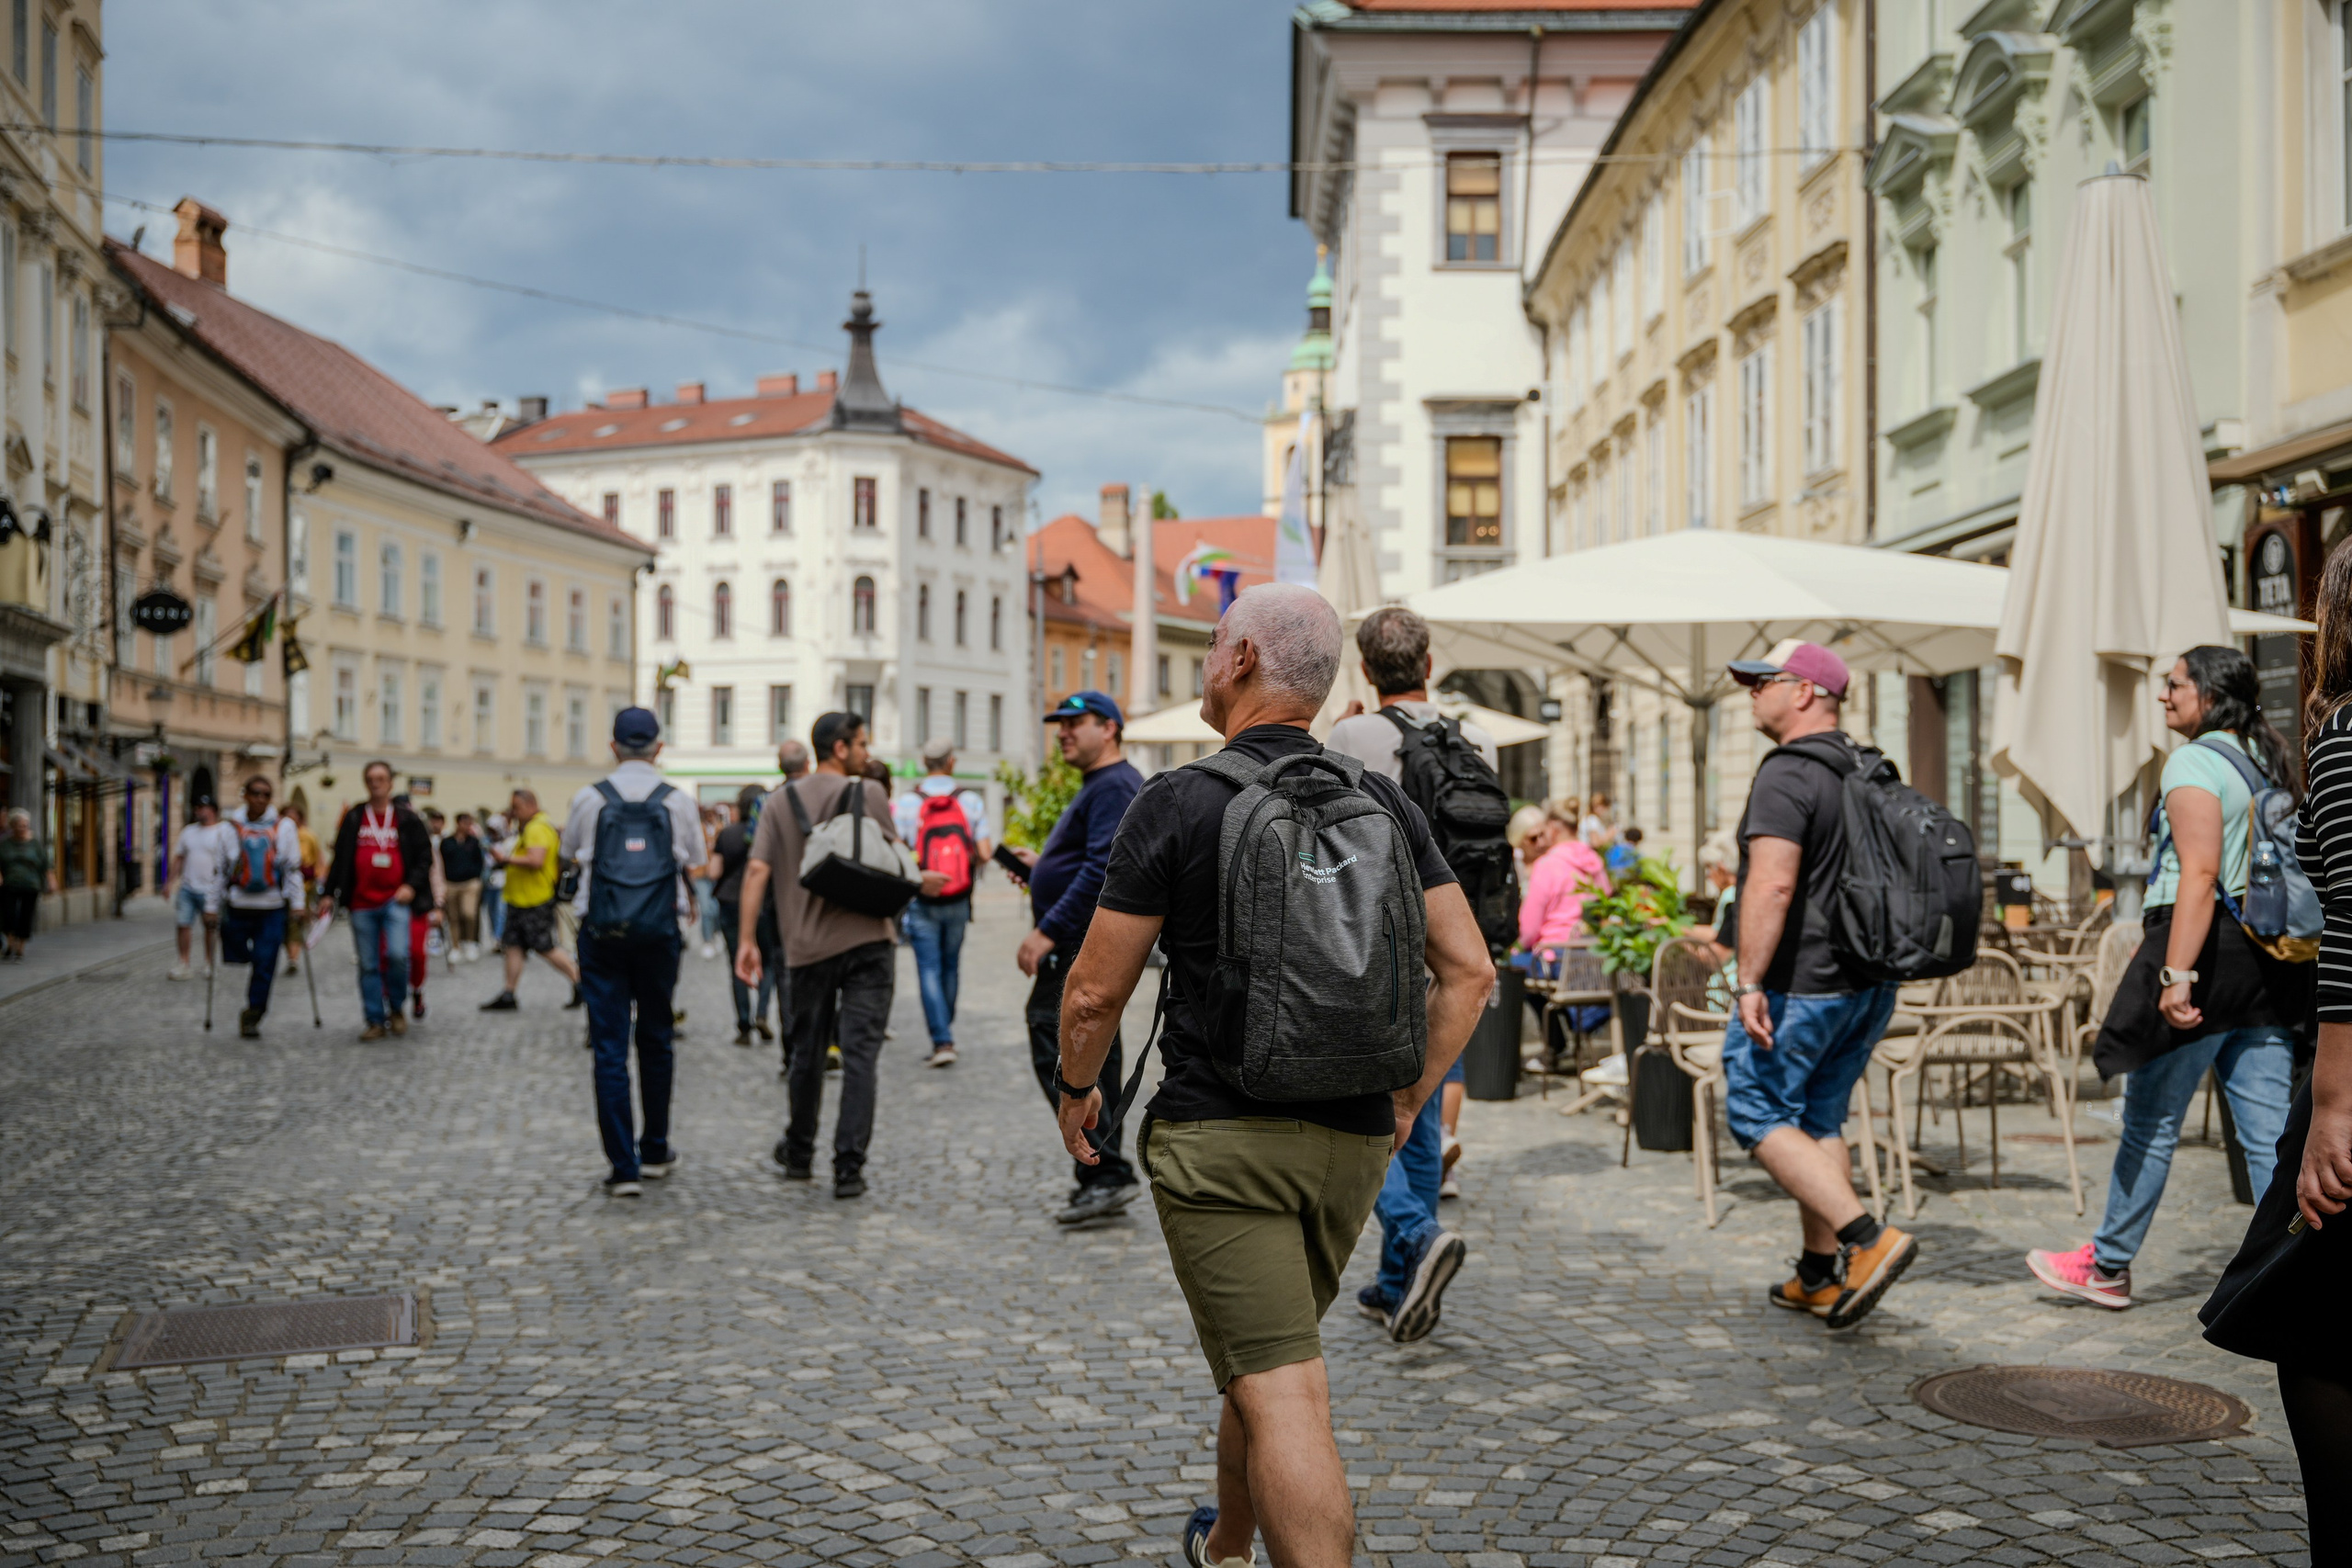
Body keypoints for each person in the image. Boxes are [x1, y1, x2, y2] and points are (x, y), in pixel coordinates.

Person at [1050, 584, 1494, 1568]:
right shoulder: (1380, 798)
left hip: (1223, 1144)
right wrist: (1407, 1100)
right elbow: (1470, 973)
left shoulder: (1178, 800)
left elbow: (1091, 994)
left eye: (1212, 644)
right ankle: (1230, 1544)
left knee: (1285, 1387)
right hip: (1348, 1145)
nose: (1207, 659)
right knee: (1265, 1358)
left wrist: (1077, 1088)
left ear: (1241, 660)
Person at [2030, 646, 2307, 1310]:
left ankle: (2107, 1265)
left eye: (2174, 684)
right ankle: (2300, 1269)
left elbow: (2200, 874)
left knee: (2150, 1120)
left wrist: (2177, 973)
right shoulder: (2263, 759)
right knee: (2268, 1132)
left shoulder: (2193, 761)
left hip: (2206, 958)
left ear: (2209, 693)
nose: (2163, 695)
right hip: (2265, 963)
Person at [1719, 639, 1915, 1328]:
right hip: (1868, 980)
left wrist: (1746, 981)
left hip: (1801, 981)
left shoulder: (1787, 772)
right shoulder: (1867, 767)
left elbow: (1772, 882)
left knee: (1753, 1110)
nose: (1751, 693)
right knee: (1818, 1118)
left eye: (1762, 681)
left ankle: (1868, 1239)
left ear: (1804, 691)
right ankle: (1817, 1273)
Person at [1325, 605, 1498, 1333]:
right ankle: (1397, 1282)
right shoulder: (1477, 735)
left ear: (1366, 668)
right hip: (1460, 944)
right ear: (1430, 665)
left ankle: (1418, 1238)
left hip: (1381, 944)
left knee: (1371, 1112)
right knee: (1417, 1111)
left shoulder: (1350, 736)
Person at [738, 712, 940, 1199]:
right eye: (863, 744)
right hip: (870, 942)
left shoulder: (778, 801)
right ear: (841, 748)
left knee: (806, 1053)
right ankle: (849, 1168)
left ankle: (800, 1154)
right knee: (860, 1057)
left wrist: (747, 939)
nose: (868, 753)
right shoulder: (868, 794)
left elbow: (758, 870)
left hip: (805, 949)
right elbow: (896, 857)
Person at [1006, 693, 1145, 1223]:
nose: (1063, 732)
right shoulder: (1102, 786)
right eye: (1058, 725)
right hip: (1080, 940)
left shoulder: (1112, 785)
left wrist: (1046, 930)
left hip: (1078, 943)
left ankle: (1104, 1169)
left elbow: (1099, 873)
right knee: (1091, 1048)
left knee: (1061, 1036)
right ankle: (1102, 1167)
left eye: (1075, 723)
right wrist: (1044, 867)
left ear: (1108, 728)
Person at [562, 706, 707, 1197]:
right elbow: (698, 861)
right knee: (656, 1037)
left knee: (608, 1047)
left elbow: (570, 856)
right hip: (658, 930)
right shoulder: (678, 801)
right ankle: (656, 1147)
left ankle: (622, 1166)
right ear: (659, 748)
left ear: (613, 746)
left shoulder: (589, 798)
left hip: (601, 932)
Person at [893, 739, 992, 1068]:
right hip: (960, 897)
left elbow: (897, 853)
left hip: (923, 897)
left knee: (929, 969)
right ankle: (944, 1029)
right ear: (952, 762)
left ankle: (941, 1039)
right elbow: (986, 853)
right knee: (951, 965)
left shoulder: (907, 803)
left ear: (924, 762)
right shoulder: (970, 801)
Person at [320, 761, 433, 1041]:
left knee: (397, 955)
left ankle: (395, 1007)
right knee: (368, 963)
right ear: (365, 782)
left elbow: (424, 857)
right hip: (361, 903)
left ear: (391, 783)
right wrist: (327, 893)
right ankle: (373, 1019)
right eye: (370, 778)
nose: (376, 783)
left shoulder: (407, 819)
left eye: (381, 778)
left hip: (396, 899)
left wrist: (410, 886)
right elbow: (341, 858)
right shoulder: (356, 816)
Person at [218, 774, 305, 1038]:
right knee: (237, 952)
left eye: (266, 794)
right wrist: (212, 906)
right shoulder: (229, 827)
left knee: (265, 963)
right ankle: (250, 960)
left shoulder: (285, 827)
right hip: (238, 903)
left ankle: (254, 1013)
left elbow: (292, 868)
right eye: (256, 793)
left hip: (272, 905)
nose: (261, 799)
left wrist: (298, 904)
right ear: (245, 794)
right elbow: (219, 870)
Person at [481, 787, 582, 1011]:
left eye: (516, 808)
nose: (514, 813)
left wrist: (506, 859)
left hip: (534, 898)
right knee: (513, 945)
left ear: (530, 805)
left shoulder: (537, 827)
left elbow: (536, 860)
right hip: (521, 898)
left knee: (544, 946)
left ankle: (579, 981)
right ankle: (509, 992)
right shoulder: (534, 827)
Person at [712, 784, 768, 1046]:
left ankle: (744, 1024)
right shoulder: (766, 833)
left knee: (737, 962)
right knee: (769, 962)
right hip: (762, 902)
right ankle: (763, 1012)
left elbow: (714, 871)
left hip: (730, 900)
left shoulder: (728, 834)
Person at [167, 794, 227, 980]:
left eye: (203, 807)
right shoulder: (188, 831)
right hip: (188, 886)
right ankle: (183, 962)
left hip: (211, 889)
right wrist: (169, 881)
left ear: (213, 811)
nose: (199, 811)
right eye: (197, 808)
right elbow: (179, 857)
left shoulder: (222, 832)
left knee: (210, 927)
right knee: (183, 924)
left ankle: (209, 962)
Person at [0, 807, 55, 962]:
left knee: (26, 916)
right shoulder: (5, 844)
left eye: (25, 825)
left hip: (31, 885)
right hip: (10, 884)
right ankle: (10, 943)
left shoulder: (35, 844)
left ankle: (20, 948)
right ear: (13, 826)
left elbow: (46, 864)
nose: (23, 828)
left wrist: (51, 881)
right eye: (20, 825)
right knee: (9, 915)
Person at [439, 812, 487, 963]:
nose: (468, 826)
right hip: (451, 882)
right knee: (453, 916)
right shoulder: (447, 842)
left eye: (470, 823)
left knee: (469, 913)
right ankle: (456, 946)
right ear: (458, 823)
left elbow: (480, 861)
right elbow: (442, 863)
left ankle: (471, 942)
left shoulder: (474, 842)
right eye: (466, 823)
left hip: (470, 882)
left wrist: (477, 878)